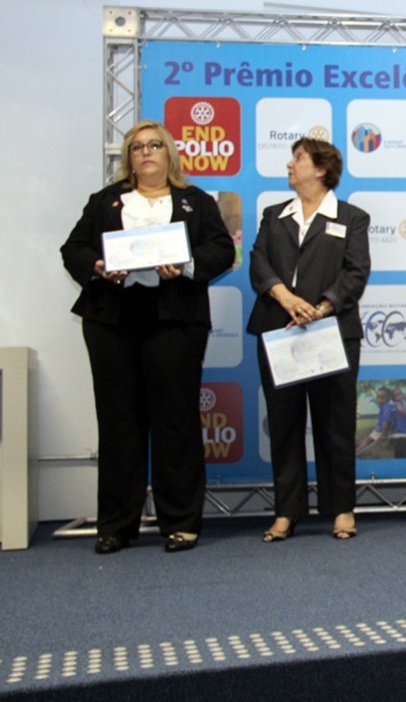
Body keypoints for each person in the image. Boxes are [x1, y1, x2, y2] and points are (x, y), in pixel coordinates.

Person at [60, 119, 234, 554]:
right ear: (129, 158)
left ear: (169, 153)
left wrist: (186, 264)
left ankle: (181, 522)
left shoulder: (196, 201)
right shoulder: (105, 201)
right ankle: (116, 525)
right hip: (112, 321)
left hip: (175, 320)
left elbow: (221, 250)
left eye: (154, 145)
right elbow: (74, 248)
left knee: (176, 421)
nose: (146, 152)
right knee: (118, 422)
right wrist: (98, 266)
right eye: (137, 147)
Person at [248, 137, 371, 541]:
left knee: (335, 423)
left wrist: (320, 308)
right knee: (284, 424)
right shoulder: (273, 215)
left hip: (331, 330)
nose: (290, 164)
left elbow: (356, 272)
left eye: (298, 158)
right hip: (278, 328)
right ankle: (286, 512)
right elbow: (258, 261)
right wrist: (285, 298)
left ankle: (342, 509)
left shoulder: (352, 217)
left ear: (320, 169)